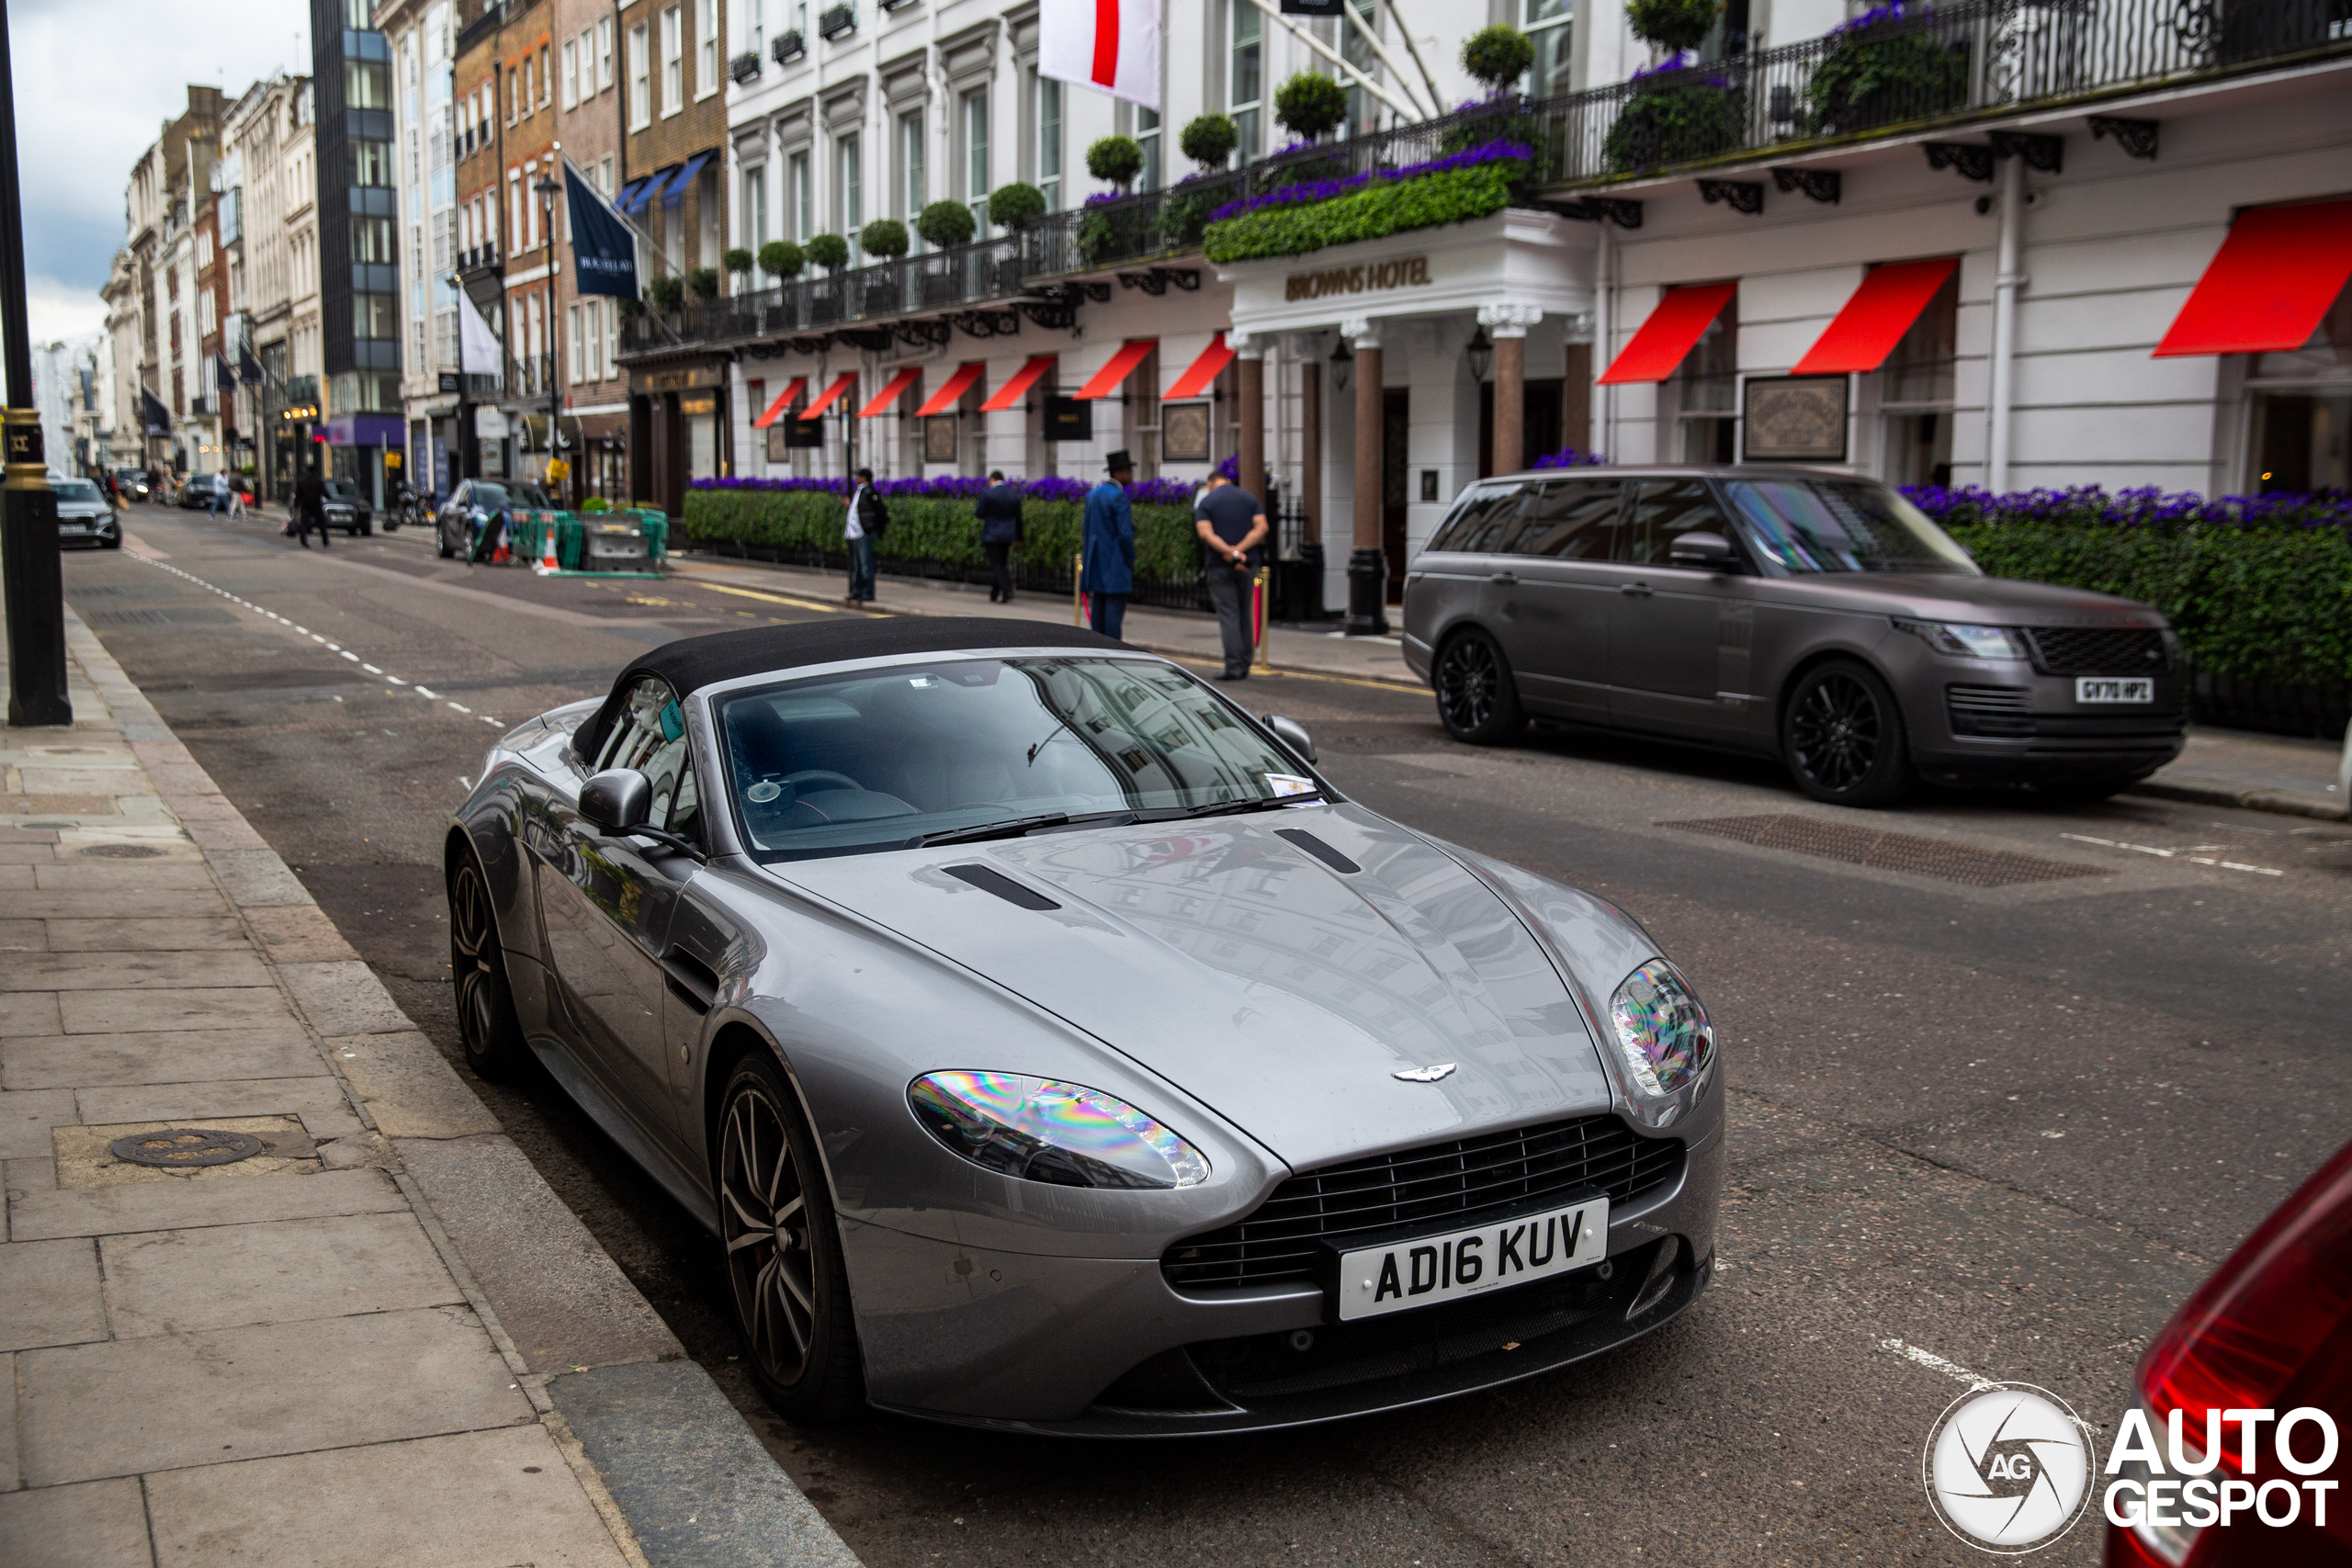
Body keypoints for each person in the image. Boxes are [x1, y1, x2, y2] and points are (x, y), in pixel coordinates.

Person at [1194, 468, 1270, 680]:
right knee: (1245, 613)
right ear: (1228, 481)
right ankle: (1246, 663)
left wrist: (1229, 552)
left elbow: (1205, 533)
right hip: (1248, 565)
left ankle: (1234, 666)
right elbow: (1262, 528)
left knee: (1229, 615)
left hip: (1219, 566)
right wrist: (1241, 550)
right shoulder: (1249, 498)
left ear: (1210, 484)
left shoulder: (1207, 503)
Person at [1080, 451, 1136, 641]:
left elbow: (1086, 529)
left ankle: (1097, 647)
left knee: (1098, 612)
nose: (1132, 476)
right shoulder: (1119, 497)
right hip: (1115, 563)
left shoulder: (1093, 495)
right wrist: (1131, 559)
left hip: (1096, 561)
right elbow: (1125, 533)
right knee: (1113, 617)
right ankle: (1112, 651)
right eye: (1129, 472)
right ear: (1119, 473)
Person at [974, 469, 1023, 603]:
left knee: (997, 564)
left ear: (992, 479)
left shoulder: (988, 494)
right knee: (1001, 563)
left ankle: (1008, 591)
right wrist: (1019, 538)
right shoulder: (1013, 495)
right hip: (1007, 535)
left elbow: (979, 513)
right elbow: (1019, 519)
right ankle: (994, 594)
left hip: (992, 534)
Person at [843, 467, 886, 604]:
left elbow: (880, 512)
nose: (856, 478)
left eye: (858, 476)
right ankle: (858, 591)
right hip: (857, 533)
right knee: (858, 565)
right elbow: (858, 509)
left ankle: (868, 593)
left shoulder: (870, 492)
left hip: (863, 533)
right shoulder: (861, 491)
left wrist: (874, 531)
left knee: (866, 565)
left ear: (864, 478)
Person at [293, 467, 331, 549]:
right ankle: (325, 541)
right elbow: (325, 493)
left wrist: (296, 506)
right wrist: (329, 496)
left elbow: (298, 495)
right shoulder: (319, 482)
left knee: (304, 524)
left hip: (305, 506)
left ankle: (304, 541)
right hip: (316, 505)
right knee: (322, 524)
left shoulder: (302, 481)